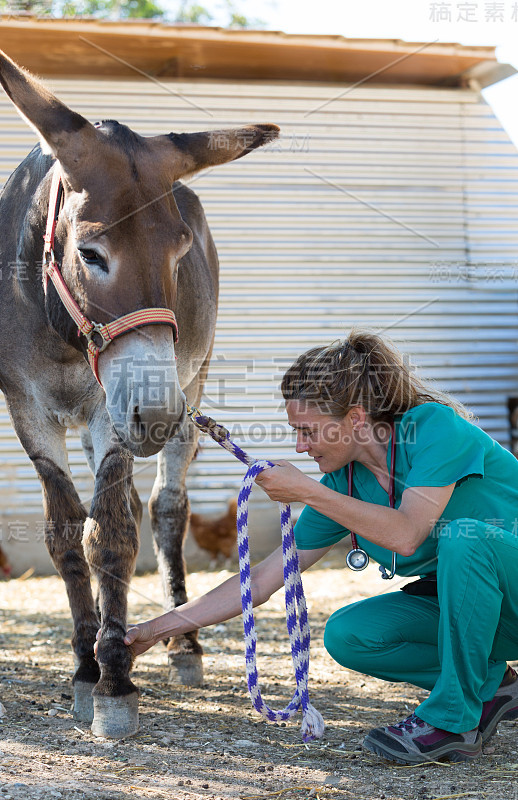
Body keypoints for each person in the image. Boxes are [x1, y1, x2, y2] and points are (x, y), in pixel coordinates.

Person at [122, 330, 518, 765]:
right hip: (485, 613)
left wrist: (308, 491)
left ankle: (452, 722)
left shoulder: (433, 429)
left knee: (468, 538)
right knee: (350, 635)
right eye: (296, 432)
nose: (299, 446)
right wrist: (153, 631)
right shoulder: (344, 485)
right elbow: (260, 581)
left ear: (355, 419)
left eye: (308, 431)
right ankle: (493, 686)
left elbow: (406, 533)